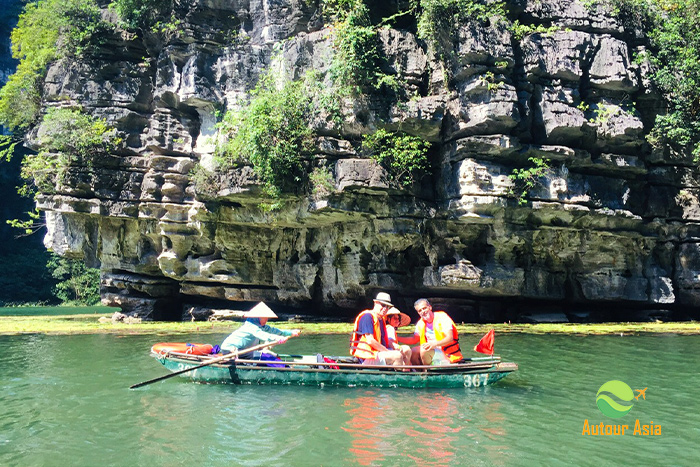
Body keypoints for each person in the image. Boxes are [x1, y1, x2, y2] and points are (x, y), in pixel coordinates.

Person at [220, 302, 300, 358]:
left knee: (266, 355)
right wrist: (277, 338)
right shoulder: (250, 326)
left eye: (267, 318)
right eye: (264, 318)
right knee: (261, 355)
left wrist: (291, 332)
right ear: (257, 318)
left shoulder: (262, 326)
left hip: (244, 350)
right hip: (230, 350)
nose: (266, 320)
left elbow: (277, 331)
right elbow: (262, 334)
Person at [397, 298, 463, 365]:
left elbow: (449, 338)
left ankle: (427, 372)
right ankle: (419, 372)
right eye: (420, 310)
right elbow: (414, 340)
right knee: (413, 351)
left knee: (424, 350)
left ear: (430, 307)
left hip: (447, 354)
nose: (423, 311)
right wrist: (397, 338)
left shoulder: (443, 317)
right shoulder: (420, 323)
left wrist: (434, 344)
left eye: (424, 308)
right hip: (430, 352)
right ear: (418, 313)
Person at [349, 292, 406, 367]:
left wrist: (397, 347)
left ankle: (407, 372)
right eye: (383, 305)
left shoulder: (381, 319)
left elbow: (384, 340)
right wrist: (387, 352)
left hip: (377, 353)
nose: (385, 308)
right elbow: (370, 341)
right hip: (366, 357)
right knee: (397, 356)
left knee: (406, 350)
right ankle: (398, 377)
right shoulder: (368, 317)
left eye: (388, 307)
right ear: (375, 303)